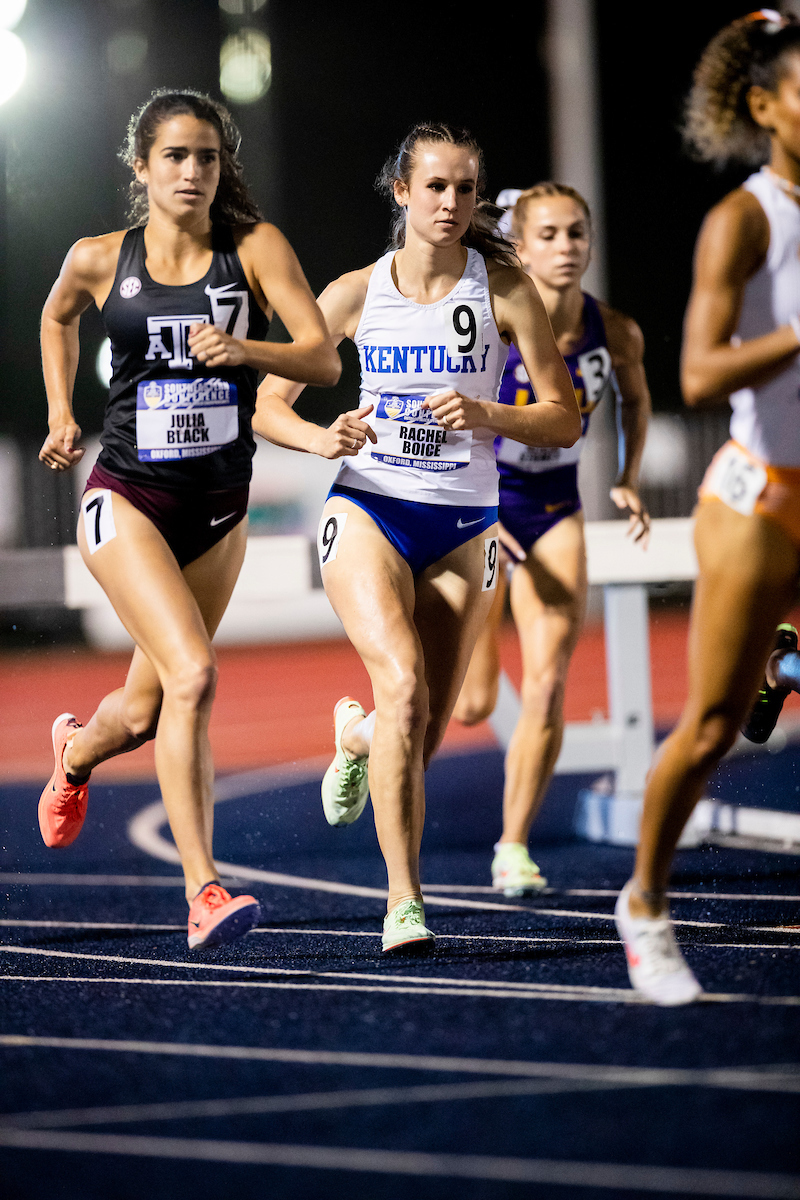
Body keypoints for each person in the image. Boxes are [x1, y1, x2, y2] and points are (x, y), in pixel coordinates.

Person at [252, 123, 581, 953]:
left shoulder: (504, 286)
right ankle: (404, 901)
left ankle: (355, 737)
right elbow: (268, 409)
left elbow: (564, 414)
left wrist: (486, 413)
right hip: (371, 507)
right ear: (402, 192)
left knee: (421, 730)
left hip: (468, 523)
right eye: (435, 187)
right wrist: (322, 438)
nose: (451, 204)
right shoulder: (356, 294)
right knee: (401, 685)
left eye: (467, 189)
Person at [37, 89, 340, 949]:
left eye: (207, 157)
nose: (193, 172)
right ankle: (204, 890)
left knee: (139, 714)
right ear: (142, 167)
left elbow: (320, 357)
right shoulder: (101, 258)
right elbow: (57, 315)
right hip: (125, 498)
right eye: (175, 156)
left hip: (218, 509)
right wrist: (63, 411)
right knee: (194, 676)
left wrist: (247, 349)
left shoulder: (254, 249)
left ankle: (76, 754)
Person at [614, 10, 800, 1004]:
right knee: (706, 727)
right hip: (757, 497)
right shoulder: (744, 218)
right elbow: (694, 369)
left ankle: (785, 658)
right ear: (764, 106)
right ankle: (642, 904)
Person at [451, 183, 651, 896]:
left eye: (577, 234)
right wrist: (484, 511)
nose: (566, 248)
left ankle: (513, 846)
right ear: (520, 245)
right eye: (549, 235)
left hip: (556, 509)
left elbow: (635, 395)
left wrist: (626, 476)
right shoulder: (493, 325)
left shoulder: (615, 330)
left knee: (547, 683)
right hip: (481, 508)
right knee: (469, 703)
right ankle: (359, 735)